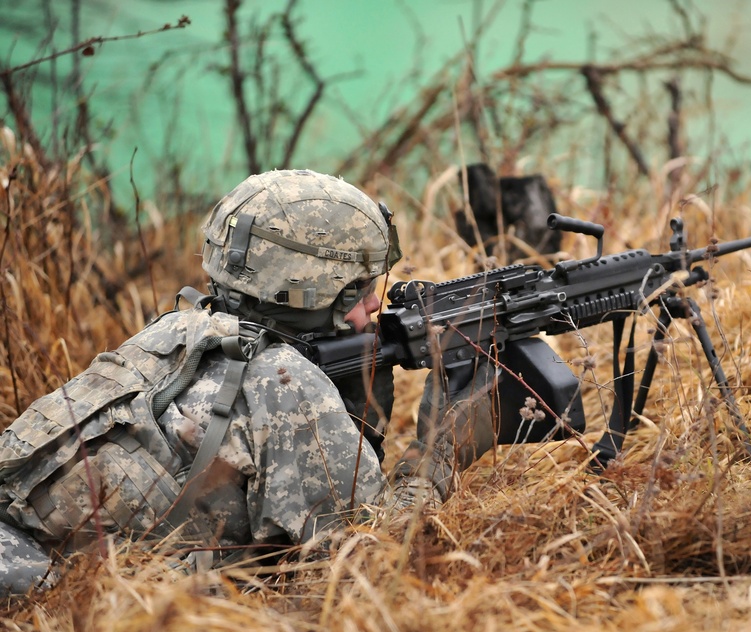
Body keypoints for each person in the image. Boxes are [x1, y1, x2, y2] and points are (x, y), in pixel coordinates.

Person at [0, 169, 497, 595]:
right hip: (50, 600)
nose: (374, 305)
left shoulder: (173, 332)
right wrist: (441, 452)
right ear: (314, 290)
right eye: (362, 289)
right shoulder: (284, 382)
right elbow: (367, 561)